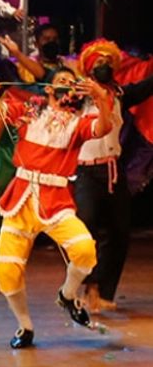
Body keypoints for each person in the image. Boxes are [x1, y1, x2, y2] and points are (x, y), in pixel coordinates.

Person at [0, 67, 114, 349]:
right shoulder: (30, 112)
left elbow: (104, 127)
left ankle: (66, 295)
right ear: (50, 90)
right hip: (20, 200)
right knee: (6, 271)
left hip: (56, 200)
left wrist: (101, 98)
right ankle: (25, 326)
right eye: (62, 81)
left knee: (85, 251)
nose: (68, 85)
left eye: (72, 82)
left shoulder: (79, 123)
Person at [69, 40, 153, 313]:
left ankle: (105, 291)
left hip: (113, 172)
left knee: (119, 233)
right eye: (99, 61)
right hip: (86, 171)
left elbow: (146, 87)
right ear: (89, 66)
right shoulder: (78, 95)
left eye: (108, 61)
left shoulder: (119, 94)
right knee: (86, 228)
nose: (104, 65)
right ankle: (88, 285)